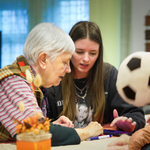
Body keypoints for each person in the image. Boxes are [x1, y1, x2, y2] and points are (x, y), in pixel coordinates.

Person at [0, 22, 103, 145]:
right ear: (43, 60)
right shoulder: (14, 82)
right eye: (65, 62)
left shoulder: (30, 82)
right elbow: (34, 133)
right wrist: (87, 131)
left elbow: (30, 127)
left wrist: (51, 125)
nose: (68, 69)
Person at [47, 21, 145, 133]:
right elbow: (39, 125)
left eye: (93, 53)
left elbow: (136, 114)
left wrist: (129, 123)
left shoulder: (109, 74)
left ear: (99, 53)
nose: (86, 59)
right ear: (68, 50)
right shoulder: (55, 77)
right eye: (79, 52)